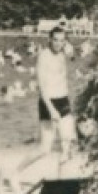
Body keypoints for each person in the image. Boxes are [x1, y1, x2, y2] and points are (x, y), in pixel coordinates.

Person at [26, 26, 77, 176]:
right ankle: (15, 172)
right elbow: (42, 87)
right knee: (44, 148)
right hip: (48, 102)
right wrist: (51, 109)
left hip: (63, 100)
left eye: (61, 40)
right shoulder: (44, 56)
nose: (58, 43)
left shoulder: (62, 54)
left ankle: (60, 181)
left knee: (67, 144)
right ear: (49, 39)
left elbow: (65, 75)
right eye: (55, 40)